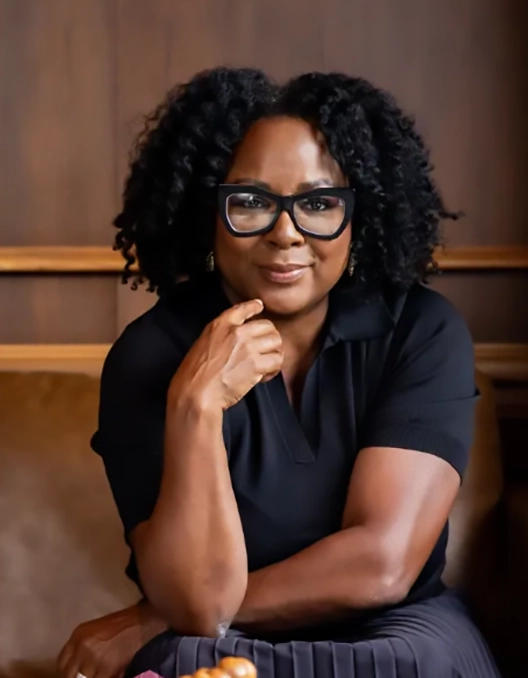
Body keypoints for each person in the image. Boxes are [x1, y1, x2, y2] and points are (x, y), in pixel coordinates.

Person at [57, 68, 501, 678]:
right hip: (218, 639)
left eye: (318, 203)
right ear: (208, 213)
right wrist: (195, 408)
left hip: (396, 630)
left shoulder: (420, 331)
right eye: (250, 203)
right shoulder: (150, 356)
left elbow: (384, 565)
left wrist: (152, 620)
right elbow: (199, 606)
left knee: (411, 661)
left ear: (358, 216)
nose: (286, 233)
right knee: (187, 659)